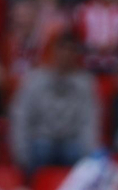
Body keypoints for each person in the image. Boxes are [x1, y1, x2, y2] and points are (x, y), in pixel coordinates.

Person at [7, 32, 98, 171]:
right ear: (53, 51)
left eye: (70, 50)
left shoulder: (85, 83)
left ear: (76, 54)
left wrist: (90, 155)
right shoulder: (34, 80)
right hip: (41, 140)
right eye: (62, 49)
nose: (65, 54)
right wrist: (21, 152)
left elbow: (89, 121)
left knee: (77, 155)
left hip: (71, 141)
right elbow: (21, 117)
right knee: (42, 149)